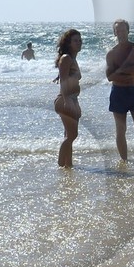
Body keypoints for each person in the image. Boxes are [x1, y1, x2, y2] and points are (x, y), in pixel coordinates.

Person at [104, 18, 134, 161]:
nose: (121, 33)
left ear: (128, 31)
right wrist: (129, 72)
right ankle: (124, 161)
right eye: (118, 31)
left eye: (123, 30)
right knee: (121, 130)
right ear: (114, 33)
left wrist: (120, 71)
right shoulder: (111, 53)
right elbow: (110, 76)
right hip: (118, 93)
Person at [53, 29, 82, 167]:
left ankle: (68, 165)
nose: (79, 43)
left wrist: (74, 101)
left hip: (72, 99)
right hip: (65, 100)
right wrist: (67, 101)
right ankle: (60, 165)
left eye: (80, 40)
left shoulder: (72, 58)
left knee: (68, 135)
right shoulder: (66, 58)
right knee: (72, 135)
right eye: (75, 40)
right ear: (68, 43)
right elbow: (63, 80)